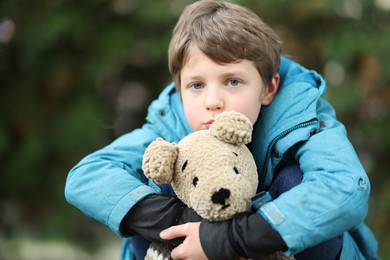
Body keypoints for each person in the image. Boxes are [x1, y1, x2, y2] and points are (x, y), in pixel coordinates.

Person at [65, 0, 378, 259]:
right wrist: (187, 222)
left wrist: (231, 237)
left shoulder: (302, 114)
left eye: (233, 81)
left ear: (269, 88)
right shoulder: (170, 123)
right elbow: (87, 176)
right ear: (180, 89)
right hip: (187, 239)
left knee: (294, 180)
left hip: (280, 246)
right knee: (157, 181)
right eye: (197, 85)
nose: (213, 102)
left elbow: (347, 187)